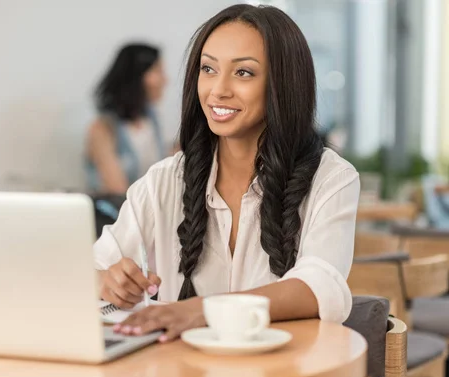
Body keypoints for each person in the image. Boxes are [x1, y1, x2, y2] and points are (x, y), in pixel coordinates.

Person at [93, 4, 360, 344]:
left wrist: (198, 310)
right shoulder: (164, 181)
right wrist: (105, 281)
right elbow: (91, 267)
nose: (218, 89)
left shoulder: (331, 178)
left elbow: (320, 287)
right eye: (208, 69)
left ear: (283, 84)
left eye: (243, 73)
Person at [85, 43, 168, 195]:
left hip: (150, 211)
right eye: (158, 71)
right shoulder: (103, 128)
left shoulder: (151, 121)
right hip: (119, 213)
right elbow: (116, 188)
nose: (165, 80)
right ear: (137, 76)